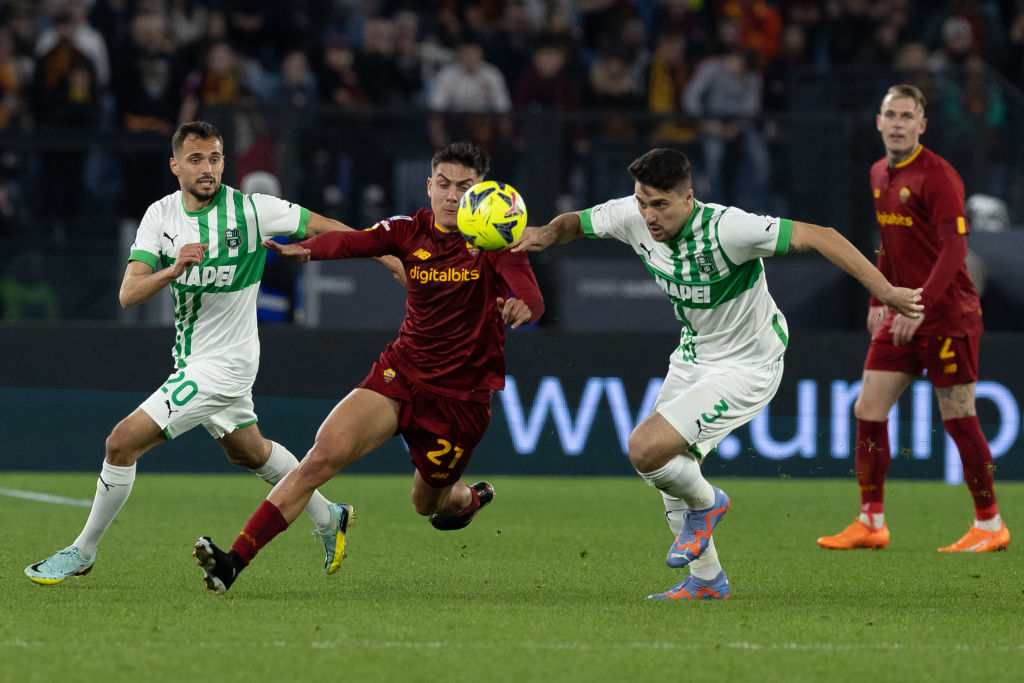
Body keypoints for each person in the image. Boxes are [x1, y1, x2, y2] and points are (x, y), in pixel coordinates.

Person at [512, 147, 922, 600]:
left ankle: (709, 504)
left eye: (660, 205)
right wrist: (547, 233)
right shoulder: (631, 214)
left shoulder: (730, 229)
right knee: (667, 468)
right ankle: (707, 581)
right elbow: (576, 223)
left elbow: (822, 235)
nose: (648, 215)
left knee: (645, 449)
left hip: (750, 364)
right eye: (642, 201)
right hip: (693, 358)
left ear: (689, 199)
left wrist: (885, 291)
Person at [24, 120, 403, 585]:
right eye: (197, 160)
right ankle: (330, 516)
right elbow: (128, 294)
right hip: (191, 358)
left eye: (216, 158)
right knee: (250, 452)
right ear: (175, 165)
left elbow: (334, 229)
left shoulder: (253, 210)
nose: (208, 169)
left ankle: (82, 550)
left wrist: (387, 258)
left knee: (121, 443)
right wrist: (173, 268)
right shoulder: (160, 217)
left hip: (228, 363)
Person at [192, 141, 544, 595]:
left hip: (461, 399)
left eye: (465, 186)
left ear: (481, 191)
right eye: (444, 184)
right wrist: (308, 251)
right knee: (318, 460)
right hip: (401, 375)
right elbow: (355, 240)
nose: (453, 196)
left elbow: (531, 296)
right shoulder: (409, 229)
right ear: (429, 186)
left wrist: (521, 307)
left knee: (429, 502)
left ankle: (469, 498)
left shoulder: (497, 241)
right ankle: (233, 561)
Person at [817, 84, 1009, 554]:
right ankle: (871, 522)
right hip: (903, 308)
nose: (899, 123)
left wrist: (915, 306)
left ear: (922, 125)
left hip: (947, 315)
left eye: (908, 116)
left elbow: (955, 248)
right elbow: (890, 242)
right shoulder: (879, 172)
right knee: (867, 410)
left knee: (959, 416)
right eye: (891, 115)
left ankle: (990, 524)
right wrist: (878, 297)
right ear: (879, 122)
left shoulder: (938, 176)